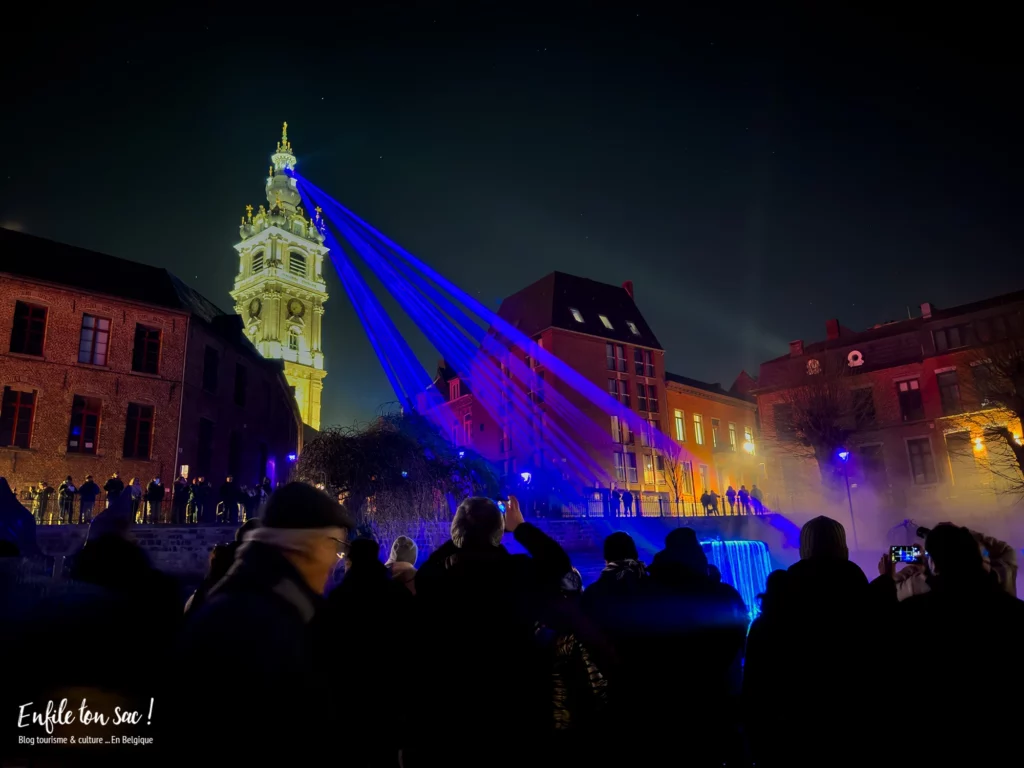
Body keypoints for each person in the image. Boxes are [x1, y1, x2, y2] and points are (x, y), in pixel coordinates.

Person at [174, 483, 352, 758]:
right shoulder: (256, 624)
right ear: (309, 546)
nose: (336, 560)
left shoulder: (269, 602)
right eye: (335, 546)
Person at [412, 496, 571, 768]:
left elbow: (425, 572)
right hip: (517, 704)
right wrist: (520, 527)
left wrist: (465, 532)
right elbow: (558, 563)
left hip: (454, 708)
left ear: (456, 530)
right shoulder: (519, 571)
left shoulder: (439, 578)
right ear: (498, 532)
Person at [743, 516, 883, 766]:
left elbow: (755, 681)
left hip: (793, 724)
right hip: (853, 721)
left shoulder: (777, 609)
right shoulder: (856, 589)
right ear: (844, 549)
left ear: (802, 551)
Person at [895, 524, 1024, 762]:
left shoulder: (914, 609)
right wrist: (963, 536)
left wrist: (916, 567)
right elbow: (1005, 551)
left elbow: (894, 589)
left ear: (934, 565)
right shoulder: (1006, 586)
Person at [317, 535, 415, 766]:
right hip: (389, 689)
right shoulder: (397, 594)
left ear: (351, 560)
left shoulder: (339, 597)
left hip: (348, 692)